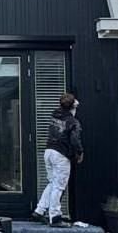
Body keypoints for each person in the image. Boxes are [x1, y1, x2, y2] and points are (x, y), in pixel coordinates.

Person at [33, 93, 83, 226]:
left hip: (49, 151)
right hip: (61, 155)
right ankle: (55, 217)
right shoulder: (72, 121)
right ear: (73, 106)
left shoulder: (54, 115)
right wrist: (79, 153)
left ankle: (40, 210)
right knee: (59, 186)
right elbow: (75, 139)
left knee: (52, 182)